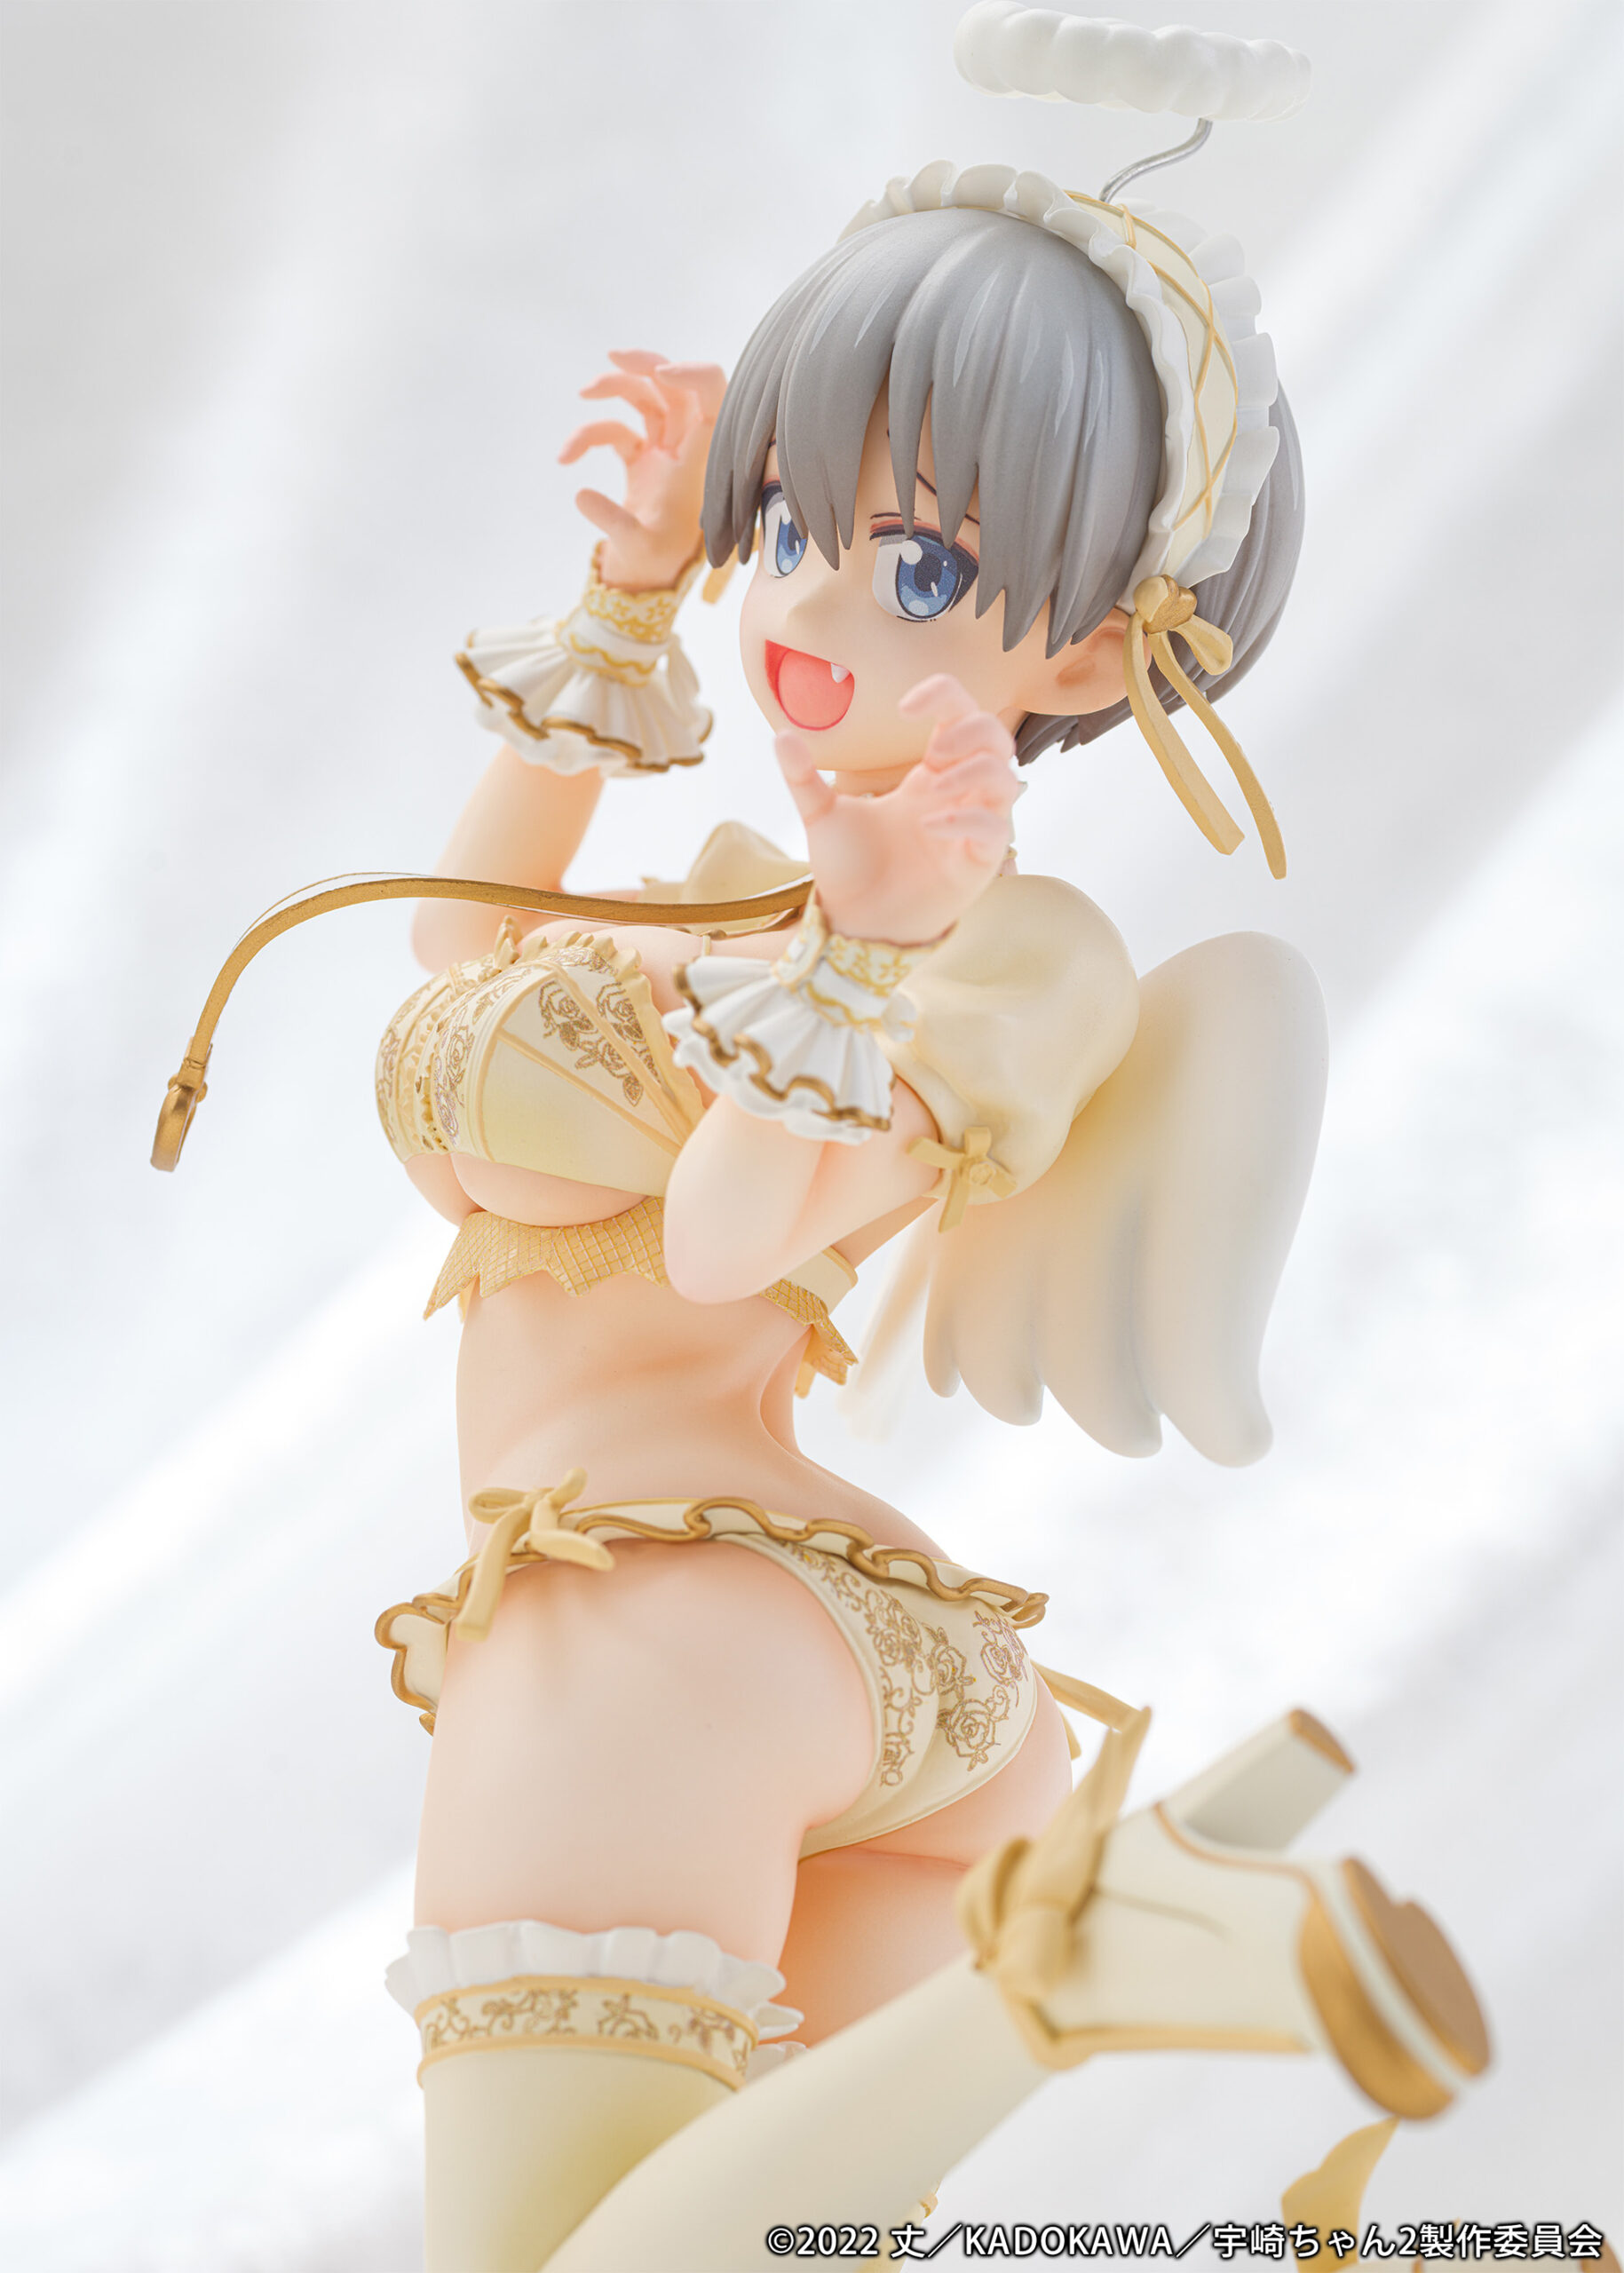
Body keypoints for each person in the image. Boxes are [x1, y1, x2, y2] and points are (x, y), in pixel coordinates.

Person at [362, 44, 1488, 2267]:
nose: (803, 614)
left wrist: (873, 954)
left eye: (922, 563)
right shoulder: (767, 909)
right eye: (788, 526)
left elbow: (723, 1239)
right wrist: (629, 595)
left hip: (659, 1621)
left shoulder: (998, 956)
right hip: (868, 1678)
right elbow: (455, 950)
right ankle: (1099, 1932)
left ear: (1089, 649)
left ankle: (1089, 1956)